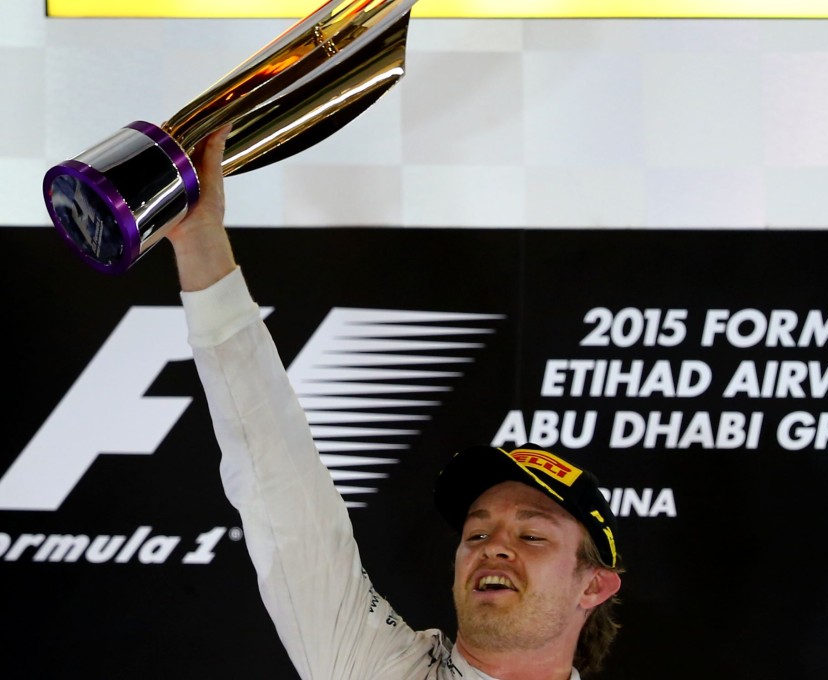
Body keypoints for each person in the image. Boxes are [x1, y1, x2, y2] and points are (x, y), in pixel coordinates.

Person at [165, 126, 625, 680]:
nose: (493, 548)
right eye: (476, 534)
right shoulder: (372, 667)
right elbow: (279, 489)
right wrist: (200, 240)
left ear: (593, 585)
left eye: (532, 535)